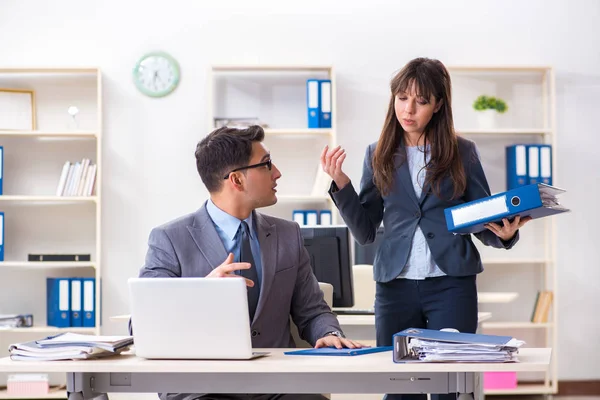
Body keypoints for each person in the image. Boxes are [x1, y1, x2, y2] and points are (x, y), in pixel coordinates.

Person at [320, 57, 531, 400]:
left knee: (449, 385)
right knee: (399, 388)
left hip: (451, 284)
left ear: (438, 105)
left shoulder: (462, 152)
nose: (409, 109)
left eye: (420, 101)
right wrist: (340, 183)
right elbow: (366, 231)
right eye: (402, 98)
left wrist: (504, 235)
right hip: (395, 286)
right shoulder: (379, 153)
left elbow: (480, 216)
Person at [138, 125, 363, 400]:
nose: (277, 172)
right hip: (202, 387)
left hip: (276, 385)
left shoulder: (288, 234)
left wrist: (328, 332)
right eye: (267, 164)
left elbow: (313, 310)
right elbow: (144, 322)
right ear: (237, 180)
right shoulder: (169, 239)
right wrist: (201, 291)